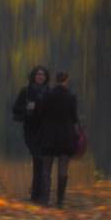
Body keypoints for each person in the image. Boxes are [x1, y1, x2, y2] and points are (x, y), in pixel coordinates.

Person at [36, 70, 79, 207]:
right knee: (63, 168)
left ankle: (45, 199)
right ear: (66, 80)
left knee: (46, 169)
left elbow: (41, 113)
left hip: (49, 135)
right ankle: (60, 201)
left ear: (56, 80)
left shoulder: (48, 95)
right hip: (66, 136)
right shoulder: (71, 96)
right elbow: (74, 118)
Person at [11, 65, 50, 202]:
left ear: (46, 77)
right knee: (37, 159)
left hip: (45, 131)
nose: (40, 77)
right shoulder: (25, 91)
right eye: (38, 74)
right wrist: (27, 107)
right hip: (31, 130)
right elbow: (15, 109)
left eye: (43, 75)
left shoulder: (49, 92)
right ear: (33, 76)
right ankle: (37, 195)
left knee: (40, 162)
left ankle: (38, 196)